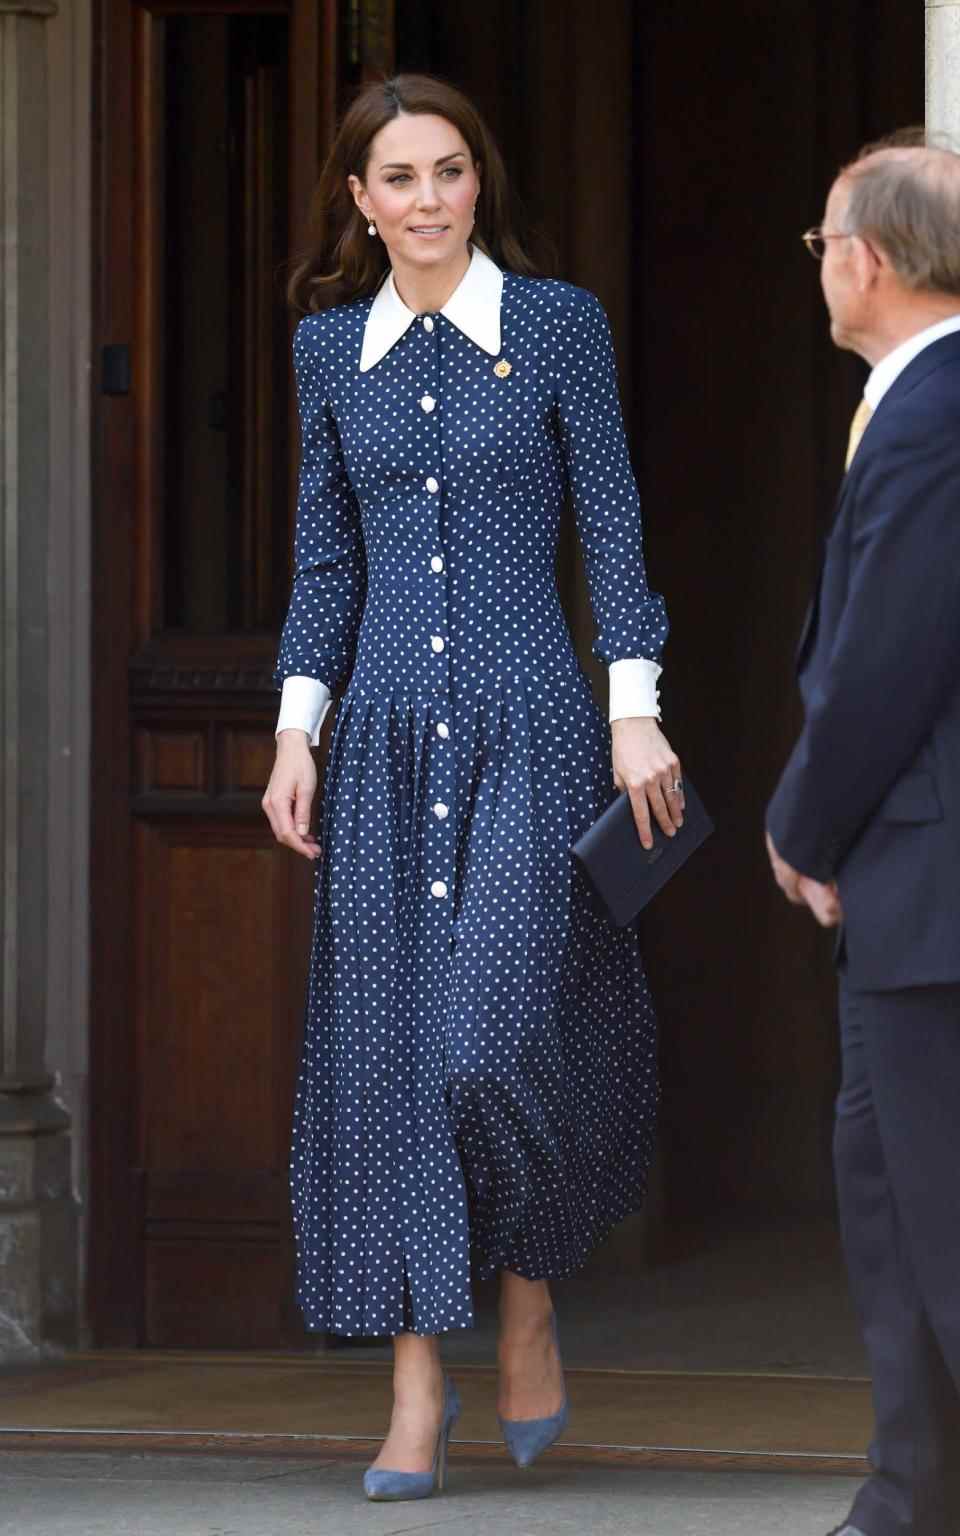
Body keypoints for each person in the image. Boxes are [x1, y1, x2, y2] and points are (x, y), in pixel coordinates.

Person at [261, 74, 681, 1502]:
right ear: (361, 203)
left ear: (475, 184)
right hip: (377, 739)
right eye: (400, 179)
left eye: (449, 172)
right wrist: (291, 731)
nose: (430, 200)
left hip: (531, 729)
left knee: (488, 1048)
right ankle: (414, 1384)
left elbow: (614, 529)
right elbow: (326, 561)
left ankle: (528, 1293)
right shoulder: (330, 353)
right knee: (389, 1067)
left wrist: (637, 714)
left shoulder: (557, 327)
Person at [767, 140, 960, 1536]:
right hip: (909, 889)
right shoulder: (913, 400)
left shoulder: (937, 409)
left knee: (939, 1222)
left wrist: (800, 824)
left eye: (823, 239)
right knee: (891, 1200)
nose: (821, 261)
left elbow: (888, 660)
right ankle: (908, 1496)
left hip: (929, 880)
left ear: (869, 258)